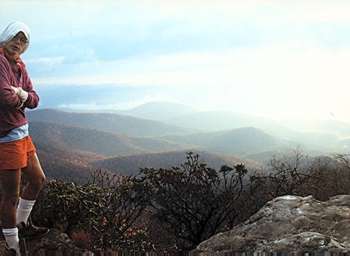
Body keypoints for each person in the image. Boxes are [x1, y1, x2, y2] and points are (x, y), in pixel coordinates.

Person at [0, 21, 49, 255]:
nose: (18, 44)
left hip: (22, 133)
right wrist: (22, 97)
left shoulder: (20, 65)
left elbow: (35, 99)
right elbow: (4, 97)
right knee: (11, 196)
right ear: (5, 38)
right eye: (15, 38)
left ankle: (22, 224)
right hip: (6, 137)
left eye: (23, 41)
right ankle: (13, 246)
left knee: (38, 180)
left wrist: (19, 93)